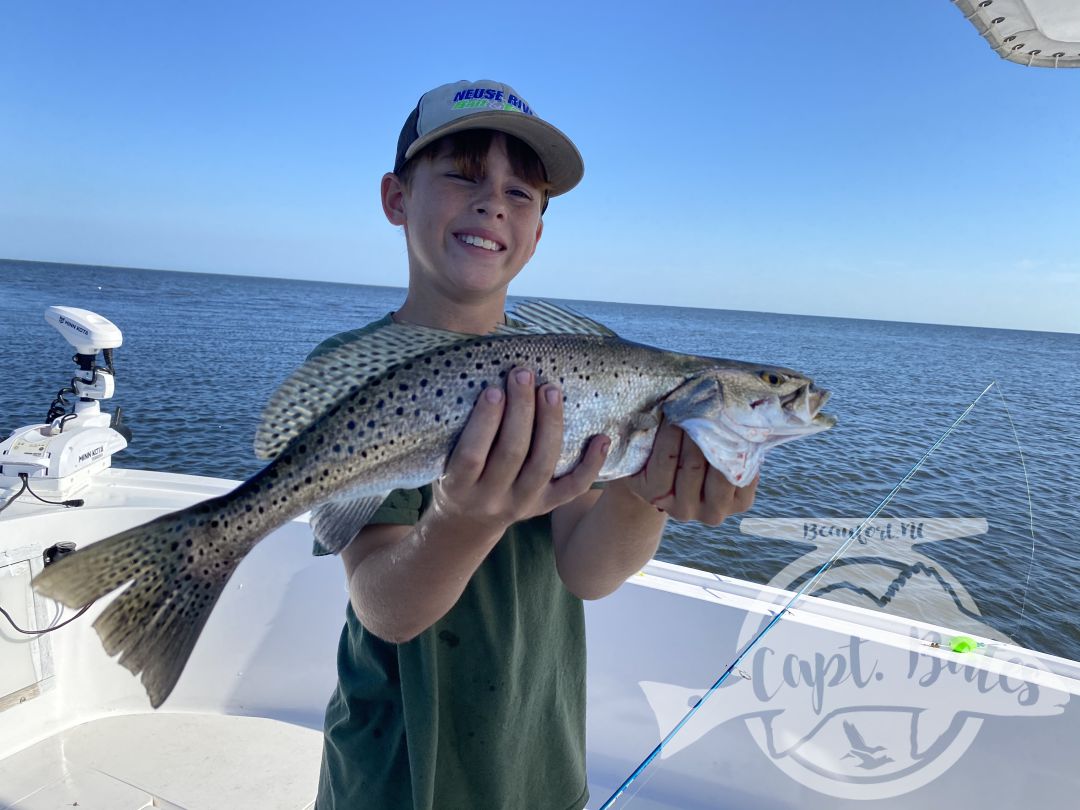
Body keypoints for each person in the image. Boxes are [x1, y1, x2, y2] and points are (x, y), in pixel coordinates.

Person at [311, 79, 760, 810]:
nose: (493, 202)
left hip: (535, 761)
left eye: (522, 193)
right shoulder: (357, 374)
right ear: (396, 198)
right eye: (462, 174)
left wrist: (647, 488)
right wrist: (465, 519)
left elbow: (587, 570)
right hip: (397, 774)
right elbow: (383, 608)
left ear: (540, 230)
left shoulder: (565, 376)